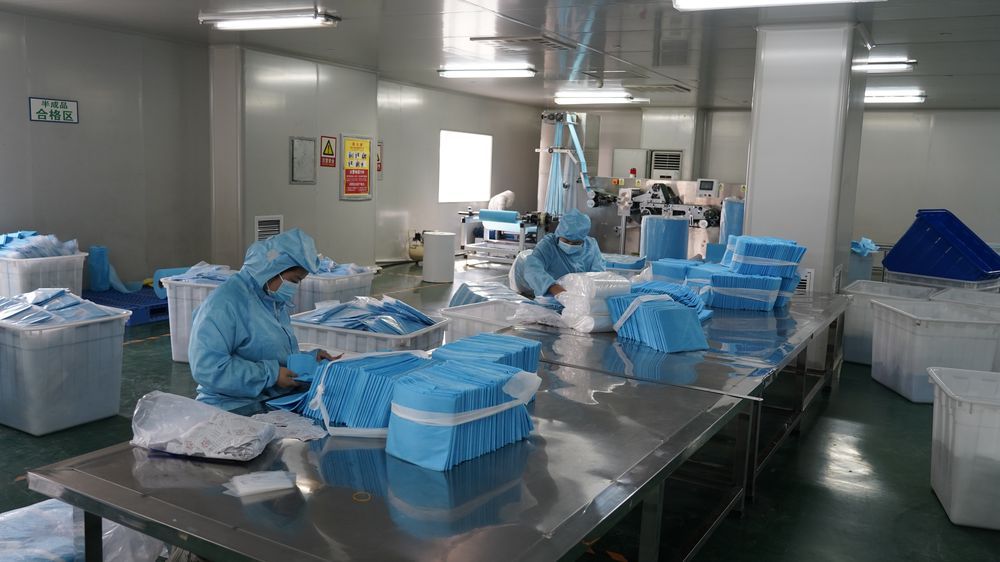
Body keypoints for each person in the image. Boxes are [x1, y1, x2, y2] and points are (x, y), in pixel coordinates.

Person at [189, 229, 338, 413]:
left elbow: (265, 351)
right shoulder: (223, 305)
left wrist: (308, 360)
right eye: (294, 280)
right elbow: (207, 368)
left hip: (267, 400)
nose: (295, 287)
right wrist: (270, 375)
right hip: (229, 407)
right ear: (272, 270)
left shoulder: (271, 300)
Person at [517, 209, 604, 297]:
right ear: (558, 234)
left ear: (583, 239)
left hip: (582, 296)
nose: (570, 245)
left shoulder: (591, 246)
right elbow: (532, 268)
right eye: (566, 241)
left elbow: (598, 275)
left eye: (576, 243)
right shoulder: (549, 245)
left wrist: (588, 292)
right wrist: (552, 287)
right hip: (551, 297)